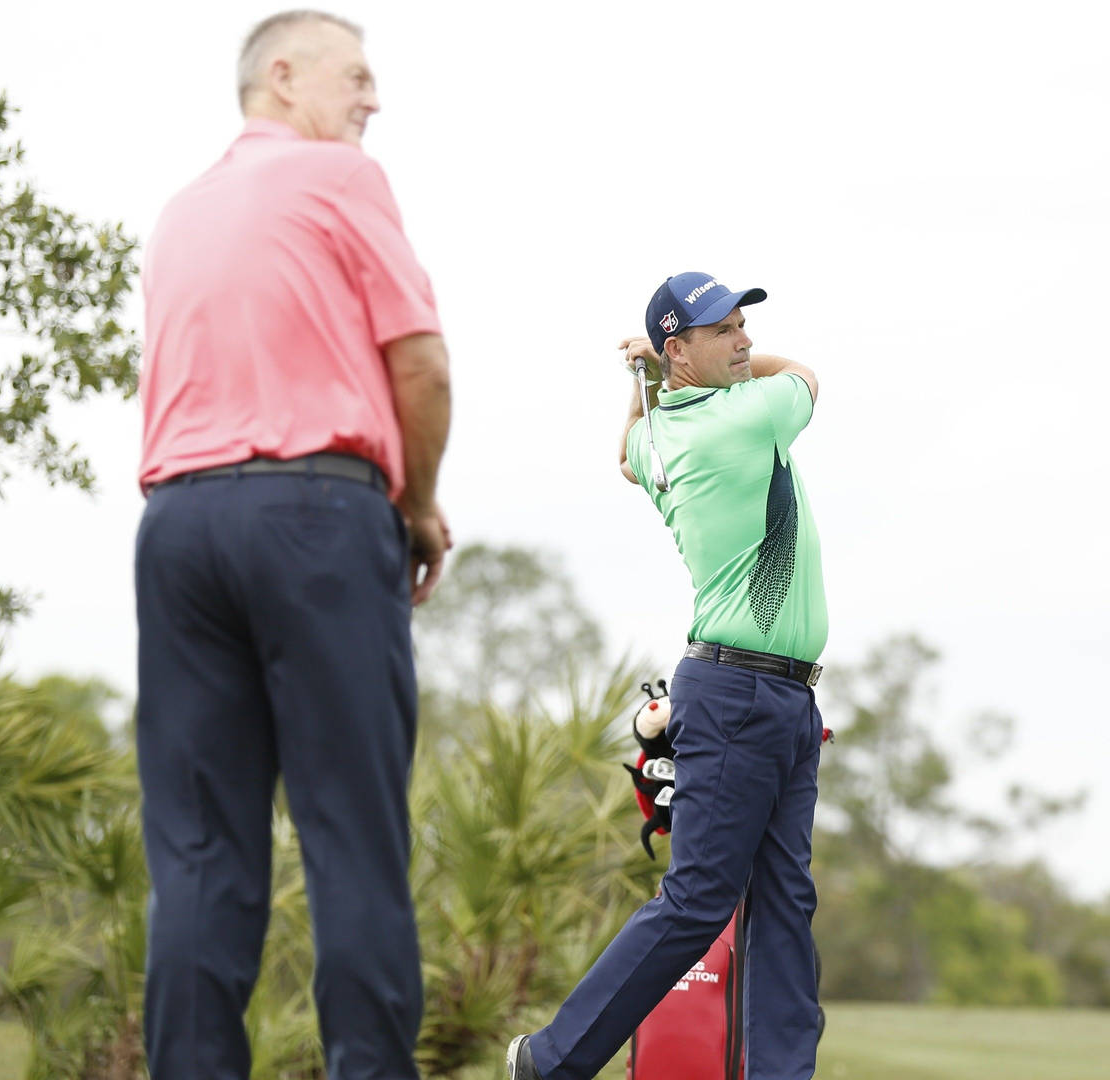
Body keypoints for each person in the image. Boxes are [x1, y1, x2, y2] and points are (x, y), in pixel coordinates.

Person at [133, 10, 452, 1078]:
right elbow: (422, 368)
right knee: (351, 834)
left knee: (200, 856)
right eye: (356, 75)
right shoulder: (340, 180)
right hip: (314, 517)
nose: (374, 97)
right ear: (283, 77)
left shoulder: (181, 212)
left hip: (178, 531)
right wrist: (419, 503)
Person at [507, 273, 828, 1080]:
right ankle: (551, 1062)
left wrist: (650, 376)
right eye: (724, 331)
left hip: (778, 694)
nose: (746, 341)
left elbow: (625, 454)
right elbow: (808, 377)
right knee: (697, 903)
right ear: (681, 349)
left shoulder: (662, 440)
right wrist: (663, 367)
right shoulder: (741, 419)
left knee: (786, 901)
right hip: (740, 696)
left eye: (744, 325)